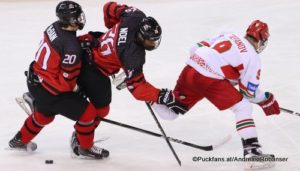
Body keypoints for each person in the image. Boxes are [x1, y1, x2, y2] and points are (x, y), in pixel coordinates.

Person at [152, 20, 280, 169]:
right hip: (209, 79)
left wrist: (214, 68)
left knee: (173, 111)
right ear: (261, 40)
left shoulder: (228, 35)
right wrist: (266, 100)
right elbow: (248, 94)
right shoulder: (253, 58)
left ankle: (151, 96)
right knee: (243, 107)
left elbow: (195, 48)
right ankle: (253, 154)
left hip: (191, 68)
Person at [70, 1, 187, 155]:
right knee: (101, 108)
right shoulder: (133, 55)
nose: (153, 43)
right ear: (140, 36)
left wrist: (113, 31)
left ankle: (52, 99)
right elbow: (137, 88)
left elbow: (108, 7)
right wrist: (160, 96)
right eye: (150, 40)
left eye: (155, 39)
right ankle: (80, 140)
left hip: (87, 45)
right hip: (93, 67)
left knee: (80, 93)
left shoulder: (135, 16)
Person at [9, 1, 109, 160]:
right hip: (52, 90)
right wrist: (77, 91)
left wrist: (79, 42)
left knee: (44, 115)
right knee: (88, 113)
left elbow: (62, 44)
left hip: (35, 79)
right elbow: (67, 80)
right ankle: (85, 147)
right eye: (76, 17)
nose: (80, 18)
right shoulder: (72, 49)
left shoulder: (55, 26)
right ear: (68, 20)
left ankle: (19, 140)